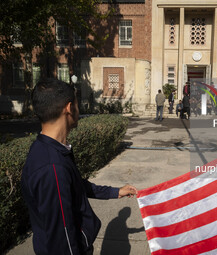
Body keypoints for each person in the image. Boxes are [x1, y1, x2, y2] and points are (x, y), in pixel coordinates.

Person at [21, 78, 137, 255]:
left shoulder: (50, 149)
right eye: (77, 104)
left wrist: (115, 192)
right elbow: (63, 239)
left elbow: (76, 185)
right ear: (69, 108)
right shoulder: (52, 168)